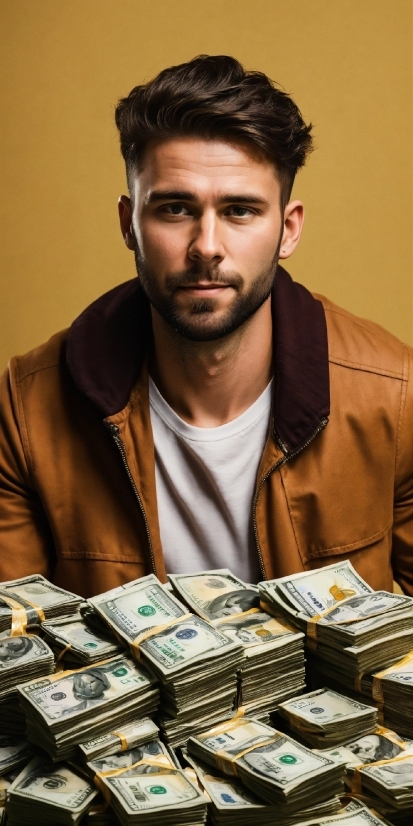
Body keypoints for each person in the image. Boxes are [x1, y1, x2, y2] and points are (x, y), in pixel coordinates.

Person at [0, 55, 412, 599]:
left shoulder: (395, 396)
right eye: (174, 209)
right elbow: (18, 646)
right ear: (130, 225)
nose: (207, 247)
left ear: (288, 230)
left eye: (240, 210)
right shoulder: (27, 409)